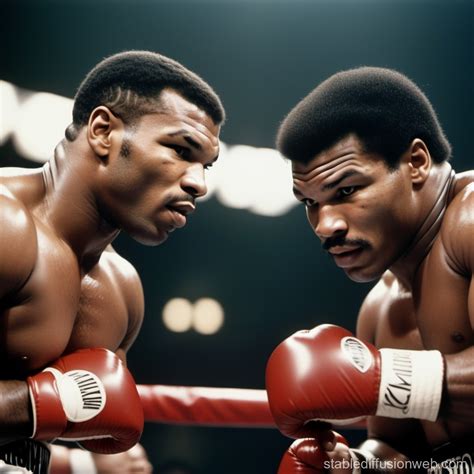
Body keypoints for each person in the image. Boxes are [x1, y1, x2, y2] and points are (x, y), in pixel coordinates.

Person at [0, 50, 225, 473]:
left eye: (206, 166)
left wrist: (85, 465)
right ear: (103, 132)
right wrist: (46, 401)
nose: (199, 184)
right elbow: (57, 406)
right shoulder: (5, 225)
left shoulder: (121, 290)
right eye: (181, 150)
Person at [265, 67, 473, 472]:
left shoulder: (470, 221)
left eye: (346, 190)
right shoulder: (380, 307)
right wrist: (355, 465)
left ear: (416, 162)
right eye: (310, 203)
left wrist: (383, 379)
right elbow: (401, 451)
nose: (325, 225)